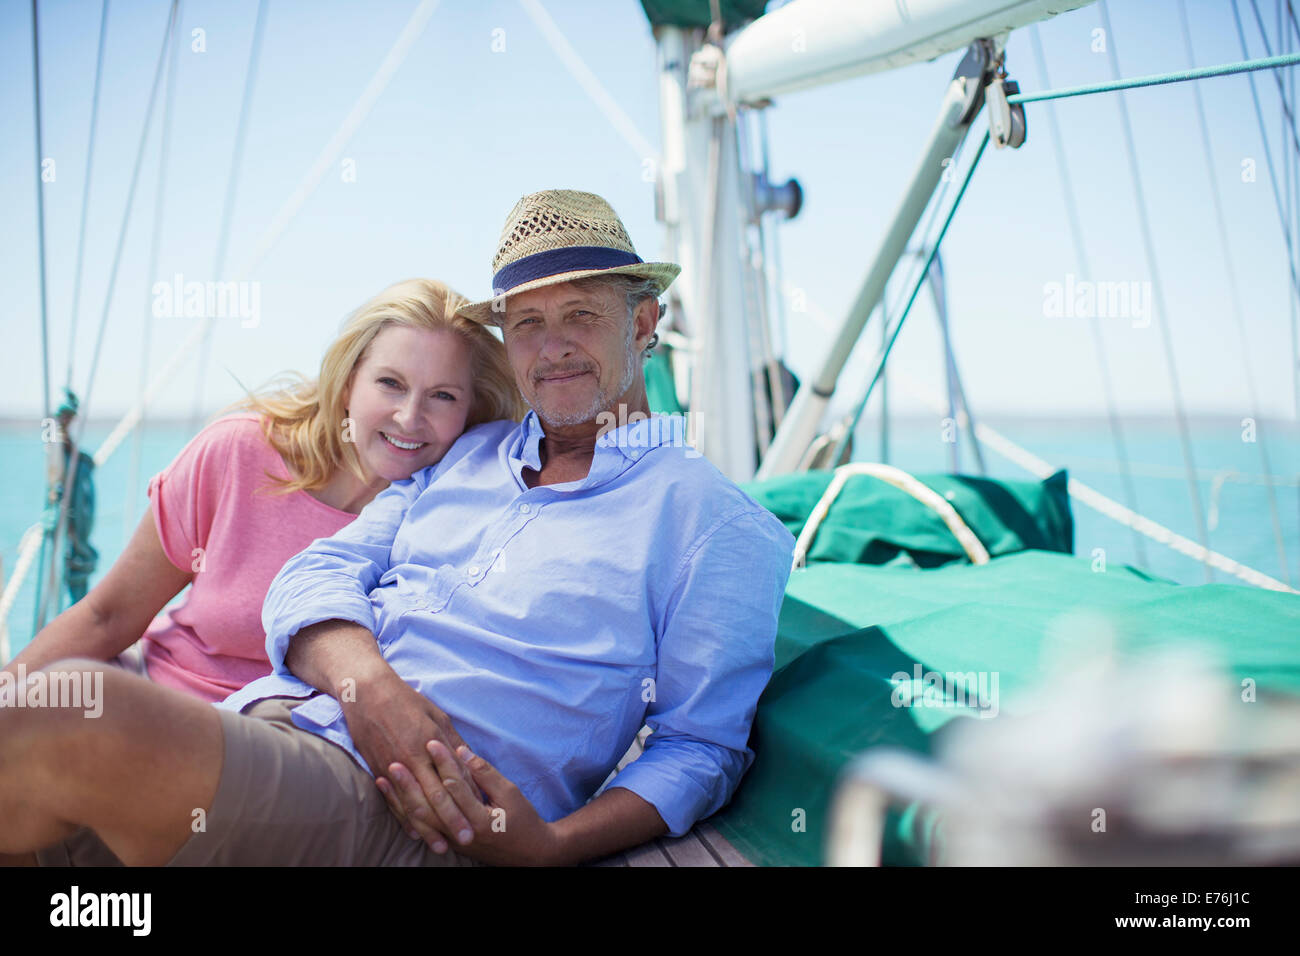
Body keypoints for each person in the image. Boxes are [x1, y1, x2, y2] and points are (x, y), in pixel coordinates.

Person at [0, 190, 794, 867]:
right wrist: (371, 689)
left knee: (71, 715)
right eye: (525, 324)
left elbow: (701, 748)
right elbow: (308, 578)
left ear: (644, 320)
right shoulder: (467, 455)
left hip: (415, 815)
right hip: (279, 720)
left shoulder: (715, 522)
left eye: (580, 316)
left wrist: (552, 847)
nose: (551, 349)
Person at [3, 278, 521, 703]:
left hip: (280, 761)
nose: (410, 417)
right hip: (146, 698)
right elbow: (108, 616)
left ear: (469, 413)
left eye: (443, 395)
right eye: (390, 383)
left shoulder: (457, 519)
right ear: (347, 384)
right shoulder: (236, 452)